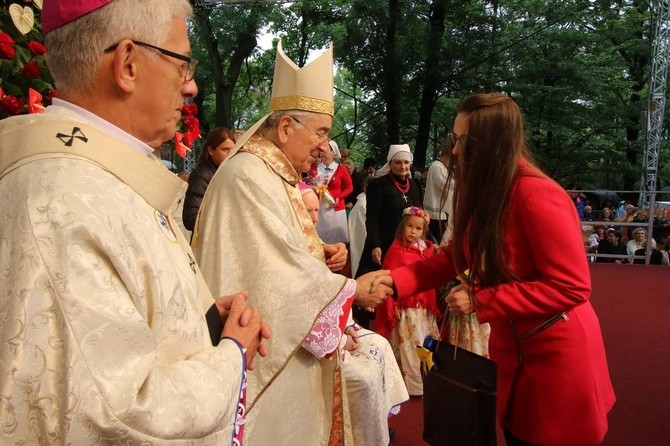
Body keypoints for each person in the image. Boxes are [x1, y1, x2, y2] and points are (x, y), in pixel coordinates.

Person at [0, 1, 270, 444]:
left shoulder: (99, 173)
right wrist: (231, 357)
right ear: (127, 63)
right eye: (183, 64)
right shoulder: (61, 201)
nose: (192, 87)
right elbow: (117, 415)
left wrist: (202, 323)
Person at [375, 93, 615, 445]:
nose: (455, 151)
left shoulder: (537, 195)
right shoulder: (494, 191)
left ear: (489, 143)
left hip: (555, 358)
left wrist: (483, 298)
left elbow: (572, 287)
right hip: (518, 349)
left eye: (462, 141)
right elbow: (457, 256)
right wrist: (393, 281)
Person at [192, 41, 393, 445]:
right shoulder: (249, 176)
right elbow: (270, 276)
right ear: (285, 128)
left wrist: (321, 251)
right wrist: (351, 291)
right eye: (319, 132)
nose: (324, 147)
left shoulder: (274, 172)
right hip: (264, 354)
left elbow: (283, 251)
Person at [300, 184, 409, 445]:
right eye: (308, 211)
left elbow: (328, 292)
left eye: (317, 210)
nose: (315, 218)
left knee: (380, 344)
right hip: (313, 341)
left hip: (336, 325)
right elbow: (303, 305)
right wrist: (339, 338)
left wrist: (347, 325)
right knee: (365, 378)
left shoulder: (316, 244)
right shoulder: (293, 249)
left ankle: (379, 423)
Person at [376, 206, 441, 396]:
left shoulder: (425, 250)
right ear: (402, 227)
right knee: (410, 348)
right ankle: (414, 386)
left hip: (422, 309)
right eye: (410, 227)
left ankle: (430, 378)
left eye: (418, 228)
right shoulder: (396, 251)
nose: (413, 232)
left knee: (426, 343)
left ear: (424, 231)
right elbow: (388, 280)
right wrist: (391, 304)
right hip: (406, 310)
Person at [358, 144, 423, 276]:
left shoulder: (414, 185)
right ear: (390, 163)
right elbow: (372, 219)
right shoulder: (378, 185)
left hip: (408, 244)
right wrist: (375, 245)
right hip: (384, 243)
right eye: (398, 162)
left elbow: (419, 211)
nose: (403, 166)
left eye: (406, 162)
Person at [182, 126, 236, 232]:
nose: (231, 154)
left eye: (233, 150)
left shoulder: (226, 171)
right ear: (211, 151)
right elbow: (190, 219)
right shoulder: (202, 175)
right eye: (225, 149)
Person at [308, 139, 353, 244]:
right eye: (321, 150)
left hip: (335, 208)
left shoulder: (341, 169)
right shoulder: (314, 168)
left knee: (337, 241)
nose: (322, 152)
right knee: (320, 239)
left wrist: (339, 197)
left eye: (325, 150)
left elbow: (349, 187)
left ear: (333, 152)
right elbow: (308, 184)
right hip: (319, 208)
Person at [424, 137, 455, 242]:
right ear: (446, 156)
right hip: (435, 212)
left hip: (441, 212)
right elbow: (446, 184)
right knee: (438, 239)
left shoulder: (441, 167)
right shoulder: (437, 166)